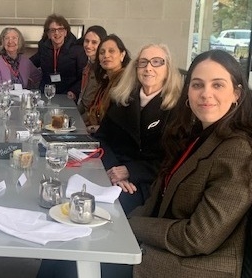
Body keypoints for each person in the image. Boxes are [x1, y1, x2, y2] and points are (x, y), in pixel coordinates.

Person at [126, 49, 252, 277]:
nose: (205, 93)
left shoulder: (238, 151)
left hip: (193, 266)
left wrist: (131, 225)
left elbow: (197, 237)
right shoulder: (195, 136)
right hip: (166, 248)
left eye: (218, 85)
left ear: (237, 94)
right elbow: (158, 200)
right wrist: (122, 221)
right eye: (197, 85)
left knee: (83, 260)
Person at [94, 44, 183, 215]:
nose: (149, 68)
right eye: (143, 62)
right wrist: (113, 169)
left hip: (147, 183)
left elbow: (173, 160)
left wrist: (130, 171)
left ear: (168, 69)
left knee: (106, 211)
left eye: (157, 62)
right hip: (111, 172)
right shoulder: (122, 98)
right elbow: (101, 138)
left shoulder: (178, 109)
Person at [30, 14, 87, 100]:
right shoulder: (44, 47)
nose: (57, 33)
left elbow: (83, 76)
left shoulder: (77, 50)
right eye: (53, 30)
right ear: (48, 34)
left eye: (60, 29)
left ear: (65, 32)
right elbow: (32, 62)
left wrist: (74, 91)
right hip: (46, 92)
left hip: (68, 94)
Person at [86, 34, 131, 133]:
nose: (106, 55)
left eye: (111, 51)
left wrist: (93, 129)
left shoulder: (126, 83)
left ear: (122, 55)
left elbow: (121, 123)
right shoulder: (105, 81)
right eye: (102, 52)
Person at [76, 25, 107, 122]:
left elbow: (97, 106)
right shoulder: (88, 64)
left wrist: (78, 121)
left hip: (91, 119)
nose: (88, 46)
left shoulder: (104, 69)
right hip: (82, 111)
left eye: (94, 42)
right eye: (86, 41)